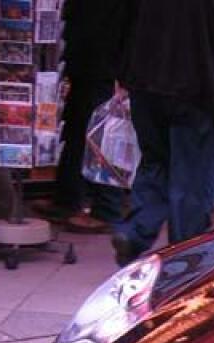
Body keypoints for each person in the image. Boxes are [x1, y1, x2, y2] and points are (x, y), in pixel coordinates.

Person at [111, 0, 214, 266]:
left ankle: (135, 231)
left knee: (155, 164)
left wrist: (123, 73)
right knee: (194, 180)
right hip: (200, 91)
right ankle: (184, 257)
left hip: (148, 86)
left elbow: (124, 23)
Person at [45, 0, 129, 233]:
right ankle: (68, 197)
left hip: (103, 62)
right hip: (88, 59)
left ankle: (107, 209)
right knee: (76, 128)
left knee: (103, 135)